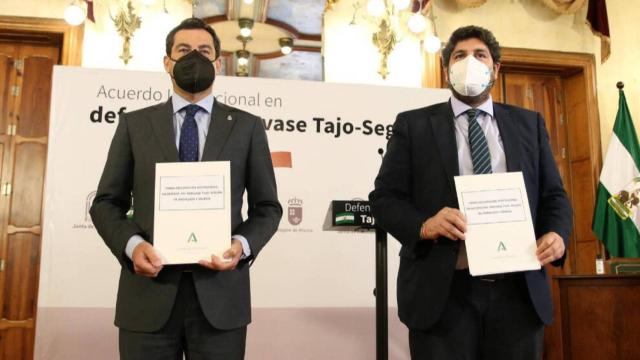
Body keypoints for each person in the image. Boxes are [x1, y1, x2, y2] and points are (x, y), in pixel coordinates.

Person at [369, 25, 572, 359]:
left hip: (518, 293)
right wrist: (424, 225)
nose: (470, 62)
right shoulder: (413, 125)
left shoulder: (529, 124)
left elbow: (553, 196)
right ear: (447, 68)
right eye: (460, 55)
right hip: (443, 293)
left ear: (496, 68)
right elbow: (383, 199)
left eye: (480, 55)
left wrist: (557, 234)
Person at [90, 17, 282, 360]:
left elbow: (268, 208)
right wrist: (133, 247)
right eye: (184, 50)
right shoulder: (134, 125)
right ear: (168, 62)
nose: (194, 57)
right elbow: (106, 203)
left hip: (221, 301)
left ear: (218, 63)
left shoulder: (247, 127)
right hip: (147, 297)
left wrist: (242, 245)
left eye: (204, 51)